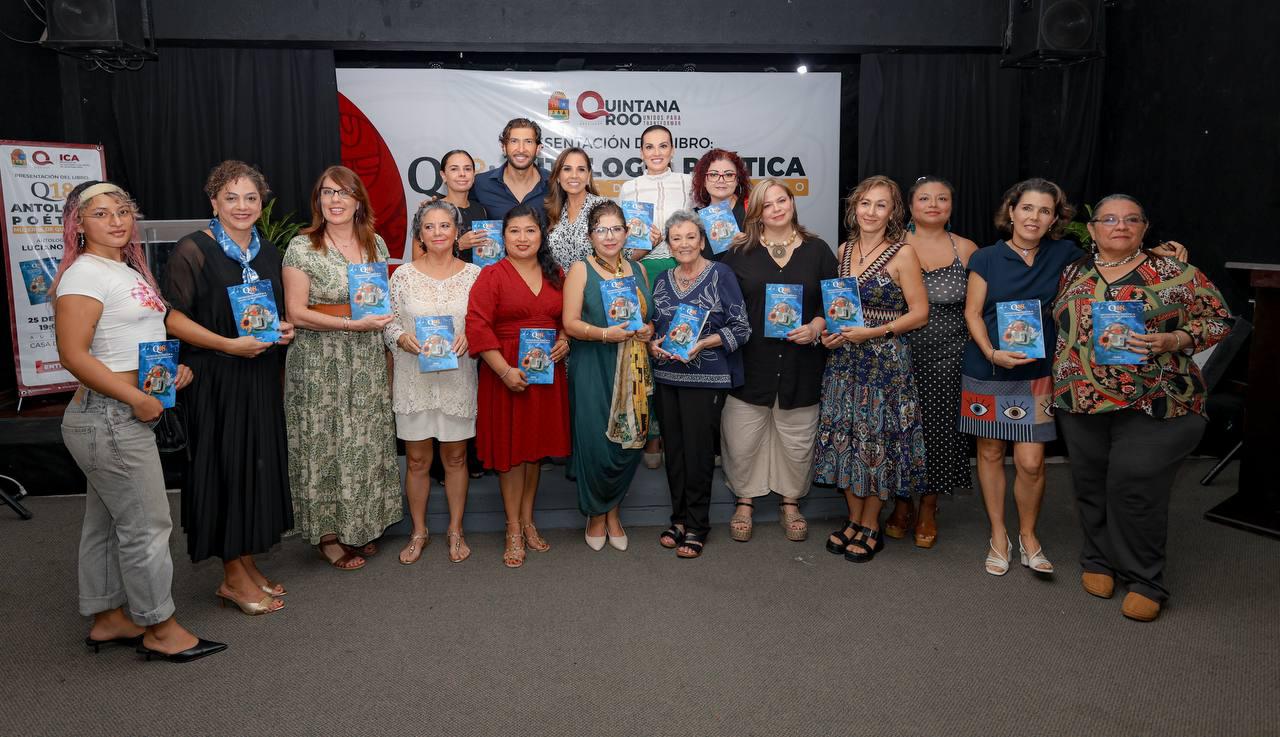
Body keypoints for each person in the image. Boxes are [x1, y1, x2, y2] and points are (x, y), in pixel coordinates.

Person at [54, 180, 225, 662]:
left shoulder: (124, 268)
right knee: (147, 526)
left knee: (108, 523)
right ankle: (160, 628)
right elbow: (73, 355)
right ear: (78, 224)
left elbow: (139, 335)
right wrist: (135, 396)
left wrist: (170, 373)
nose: (116, 221)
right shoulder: (85, 274)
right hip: (110, 416)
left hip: (117, 413)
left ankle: (108, 618)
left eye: (123, 211)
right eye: (101, 213)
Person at [1052, 194, 1229, 621]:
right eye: (1110, 219)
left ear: (1144, 228)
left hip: (1158, 398)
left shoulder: (1177, 272)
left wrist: (1176, 339)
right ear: (1092, 229)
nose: (1121, 226)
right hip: (1082, 398)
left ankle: (1145, 579)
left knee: (1134, 483)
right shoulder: (1073, 272)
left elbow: (1219, 320)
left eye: (1131, 219)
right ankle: (1098, 559)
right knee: (1091, 483)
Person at [162, 161, 296, 614]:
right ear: (214, 201)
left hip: (258, 375)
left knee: (253, 467)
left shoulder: (267, 251)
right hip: (215, 377)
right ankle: (233, 578)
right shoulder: (193, 249)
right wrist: (227, 344)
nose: (242, 206)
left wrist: (282, 330)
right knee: (225, 469)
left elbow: (270, 314)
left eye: (251, 198)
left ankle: (246, 563)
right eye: (231, 197)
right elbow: (173, 318)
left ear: (262, 203)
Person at [282, 165, 402, 571]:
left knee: (363, 441)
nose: (335, 200)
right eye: (327, 192)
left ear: (357, 200)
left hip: (365, 356)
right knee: (325, 443)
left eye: (343, 192)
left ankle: (359, 525)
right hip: (320, 361)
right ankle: (328, 536)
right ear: (318, 201)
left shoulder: (375, 244)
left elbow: (379, 302)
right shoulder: (303, 247)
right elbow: (296, 313)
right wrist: (352, 324)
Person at [960, 178, 1082, 577]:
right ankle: (999, 535)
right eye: (1027, 208)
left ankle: (1029, 535)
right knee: (991, 453)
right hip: (989, 369)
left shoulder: (1066, 255)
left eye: (1045, 211)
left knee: (1031, 463)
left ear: (1054, 218)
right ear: (1011, 211)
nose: (1034, 217)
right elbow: (973, 313)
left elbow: (1116, 257)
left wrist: (1161, 251)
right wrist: (991, 352)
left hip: (1037, 373)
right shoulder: (986, 258)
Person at [815, 176, 930, 563]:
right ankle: (852, 520)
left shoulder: (903, 254)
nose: (871, 211)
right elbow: (838, 309)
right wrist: (832, 334)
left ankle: (871, 525)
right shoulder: (843, 250)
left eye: (881, 205)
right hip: (844, 363)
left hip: (884, 366)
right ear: (854, 207)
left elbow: (920, 313)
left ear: (893, 212)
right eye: (865, 203)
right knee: (845, 440)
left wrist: (873, 332)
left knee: (876, 443)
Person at [720, 178, 838, 543]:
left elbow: (835, 303)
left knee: (797, 439)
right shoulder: (738, 252)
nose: (776, 208)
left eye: (781, 200)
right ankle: (744, 502)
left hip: (802, 362)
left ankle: (790, 503)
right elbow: (723, 305)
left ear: (792, 203)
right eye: (766, 204)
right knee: (742, 440)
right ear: (756, 212)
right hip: (750, 361)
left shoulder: (818, 250)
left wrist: (817, 326)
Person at [466, 203, 571, 567]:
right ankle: (512, 528)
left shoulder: (556, 273)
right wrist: (503, 371)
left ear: (541, 235)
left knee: (534, 450)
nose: (522, 238)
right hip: (506, 373)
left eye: (530, 230)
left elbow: (567, 317)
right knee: (511, 453)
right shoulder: (491, 275)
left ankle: (528, 521)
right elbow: (477, 325)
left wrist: (565, 340)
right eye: (514, 231)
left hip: (545, 373)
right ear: (503, 236)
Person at [883, 176, 980, 548]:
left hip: (947, 358)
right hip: (896, 354)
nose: (934, 205)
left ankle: (928, 506)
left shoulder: (966, 249)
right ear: (910, 206)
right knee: (899, 430)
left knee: (939, 433)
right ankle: (901, 502)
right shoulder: (890, 245)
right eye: (925, 198)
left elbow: (979, 307)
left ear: (951, 206)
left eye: (942, 198)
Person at [647, 210, 751, 557]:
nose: (684, 244)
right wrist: (653, 343)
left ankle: (696, 525)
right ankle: (678, 520)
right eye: (676, 238)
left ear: (702, 241)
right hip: (667, 376)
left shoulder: (721, 274)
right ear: (668, 244)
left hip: (706, 378)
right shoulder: (662, 279)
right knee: (674, 453)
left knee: (698, 452)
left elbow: (742, 328)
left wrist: (704, 343)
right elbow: (656, 326)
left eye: (690, 237)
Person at [384, 200, 481, 565]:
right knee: (416, 461)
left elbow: (484, 321)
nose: (438, 232)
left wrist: (472, 335)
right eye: (429, 227)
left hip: (458, 378)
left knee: (456, 458)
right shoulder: (402, 276)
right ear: (419, 235)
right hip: (414, 380)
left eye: (445, 226)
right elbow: (387, 321)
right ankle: (419, 531)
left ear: (457, 232)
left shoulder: (475, 275)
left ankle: (456, 530)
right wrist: (400, 338)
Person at [562, 201, 656, 552]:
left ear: (627, 233)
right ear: (590, 236)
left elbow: (649, 319)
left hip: (634, 370)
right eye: (601, 229)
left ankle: (614, 511)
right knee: (595, 442)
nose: (610, 236)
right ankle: (596, 514)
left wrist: (648, 330)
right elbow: (570, 323)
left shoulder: (639, 269)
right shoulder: (581, 270)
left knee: (627, 444)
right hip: (593, 366)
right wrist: (604, 334)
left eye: (616, 228)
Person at [618, 125, 695, 467]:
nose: (656, 153)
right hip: (645, 267)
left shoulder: (689, 183)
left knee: (679, 342)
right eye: (649, 147)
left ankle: (681, 432)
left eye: (663, 146)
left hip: (683, 267)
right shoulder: (629, 187)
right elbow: (625, 244)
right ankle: (651, 435)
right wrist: (643, 244)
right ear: (641, 152)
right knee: (645, 347)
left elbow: (701, 228)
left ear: (672, 149)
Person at [471, 117, 550, 223]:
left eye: (528, 142)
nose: (521, 149)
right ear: (504, 147)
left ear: (538, 149)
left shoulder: (554, 183)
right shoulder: (480, 183)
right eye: (514, 141)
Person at [545, 146, 609, 270]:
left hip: (594, 281)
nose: (574, 175)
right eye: (567, 169)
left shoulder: (603, 207)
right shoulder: (553, 211)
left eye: (581, 169)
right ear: (558, 176)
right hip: (559, 282)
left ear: (588, 176)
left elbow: (624, 253)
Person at [691, 148, 751, 260]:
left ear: (737, 180)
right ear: (704, 181)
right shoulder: (693, 218)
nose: (721, 180)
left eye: (728, 175)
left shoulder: (753, 210)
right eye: (713, 174)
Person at [438, 149, 490, 265]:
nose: (462, 174)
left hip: (479, 275)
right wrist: (458, 245)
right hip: (445, 276)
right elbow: (419, 259)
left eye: (467, 169)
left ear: (473, 174)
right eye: (454, 169)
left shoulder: (480, 209)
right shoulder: (431, 211)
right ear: (444, 175)